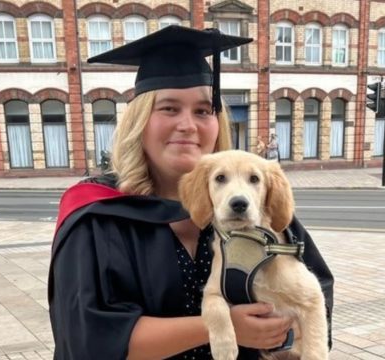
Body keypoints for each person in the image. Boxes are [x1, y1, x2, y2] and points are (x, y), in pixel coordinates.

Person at [48, 25, 334, 360]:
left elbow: (316, 297)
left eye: (202, 111)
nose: (188, 125)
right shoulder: (98, 217)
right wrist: (219, 326)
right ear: (140, 121)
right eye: (169, 108)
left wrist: (286, 335)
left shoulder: (253, 209)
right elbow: (87, 336)